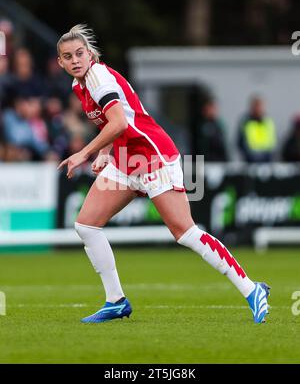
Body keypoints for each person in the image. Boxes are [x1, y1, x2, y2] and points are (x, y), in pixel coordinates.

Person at [57, 24, 270, 324]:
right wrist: (105, 152)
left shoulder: (97, 76)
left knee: (184, 232)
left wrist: (84, 152)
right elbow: (113, 121)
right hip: (125, 159)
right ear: (61, 63)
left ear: (90, 54)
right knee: (87, 226)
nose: (76, 60)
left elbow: (117, 122)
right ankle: (116, 301)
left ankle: (252, 289)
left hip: (152, 155)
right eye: (68, 56)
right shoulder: (79, 86)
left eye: (80, 53)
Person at [237, 96, 277, 163]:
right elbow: (241, 143)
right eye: (256, 106)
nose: (258, 109)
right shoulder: (246, 123)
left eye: (260, 106)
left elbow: (272, 143)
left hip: (267, 161)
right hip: (250, 161)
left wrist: (268, 156)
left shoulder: (268, 122)